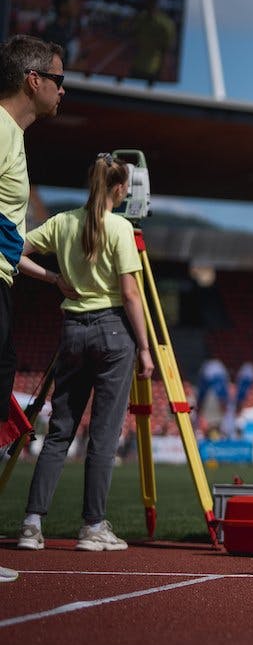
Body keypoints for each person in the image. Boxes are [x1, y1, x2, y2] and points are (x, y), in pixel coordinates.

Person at [16, 154, 155, 552]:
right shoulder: (120, 228)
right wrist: (145, 348)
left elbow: (14, 249)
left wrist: (54, 278)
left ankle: (31, 524)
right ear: (116, 188)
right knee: (103, 435)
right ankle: (92, 527)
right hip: (114, 332)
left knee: (59, 432)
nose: (128, 191)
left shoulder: (62, 222)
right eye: (125, 186)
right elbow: (130, 294)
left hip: (73, 331)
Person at [0, 35, 65, 578]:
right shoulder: (0, 129)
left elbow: (9, 240)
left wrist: (53, 279)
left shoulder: (15, 138)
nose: (64, 90)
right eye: (59, 79)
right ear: (33, 80)